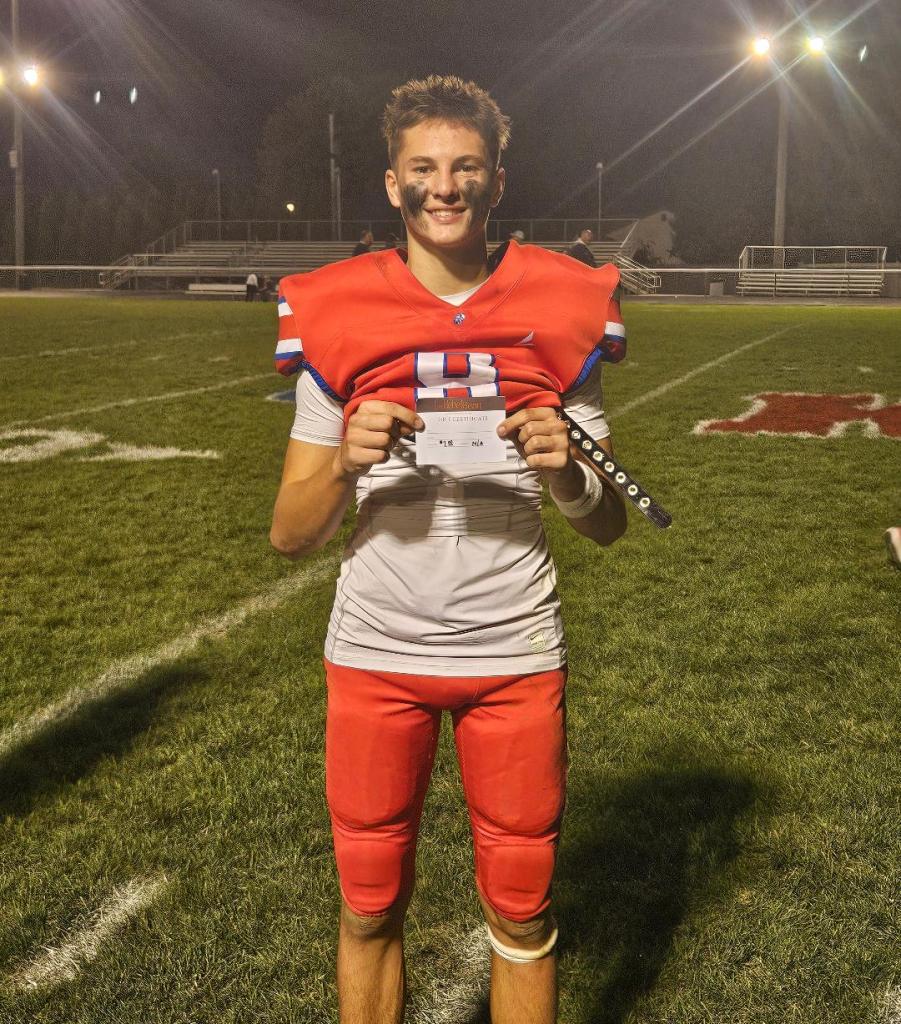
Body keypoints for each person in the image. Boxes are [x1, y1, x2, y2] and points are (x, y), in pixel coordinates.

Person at [270, 74, 628, 1023]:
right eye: (423, 168)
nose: (444, 186)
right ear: (391, 184)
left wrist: (566, 470)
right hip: (377, 652)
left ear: (496, 180)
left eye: (464, 166)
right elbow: (289, 533)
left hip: (512, 649)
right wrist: (343, 464)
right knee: (367, 905)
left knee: (523, 913)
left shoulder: (556, 302)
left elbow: (606, 520)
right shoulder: (339, 312)